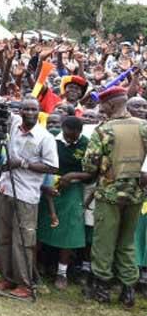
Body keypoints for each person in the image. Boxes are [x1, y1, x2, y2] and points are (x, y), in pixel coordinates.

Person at [82, 86, 147, 307]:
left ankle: (102, 288)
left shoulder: (103, 129)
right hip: (136, 195)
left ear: (110, 105)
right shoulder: (143, 126)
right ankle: (128, 290)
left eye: (103, 104)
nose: (101, 108)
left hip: (109, 194)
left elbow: (90, 165)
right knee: (127, 242)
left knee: (104, 242)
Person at [0, 97, 58, 300]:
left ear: (39, 112)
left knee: (23, 241)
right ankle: (7, 278)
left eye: (33, 109)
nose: (29, 112)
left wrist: (23, 164)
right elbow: (1, 110)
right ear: (20, 111)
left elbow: (52, 166)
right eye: (26, 109)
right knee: (4, 237)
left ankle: (24, 284)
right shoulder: (14, 126)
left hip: (26, 195)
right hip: (5, 189)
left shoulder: (45, 137)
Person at [36, 115, 91, 289]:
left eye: (74, 137)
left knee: (69, 230)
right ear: (62, 129)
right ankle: (36, 264)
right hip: (48, 185)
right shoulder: (52, 138)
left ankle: (62, 272)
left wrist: (72, 175)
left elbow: (92, 173)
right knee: (42, 226)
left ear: (80, 132)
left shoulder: (86, 143)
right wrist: (47, 184)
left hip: (72, 189)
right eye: (67, 135)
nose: (70, 140)